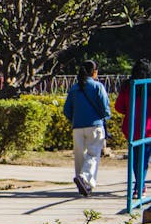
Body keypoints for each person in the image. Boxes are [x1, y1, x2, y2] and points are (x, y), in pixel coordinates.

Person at [63, 60, 111, 197]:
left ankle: (82, 183)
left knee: (79, 156)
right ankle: (84, 179)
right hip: (95, 126)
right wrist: (105, 118)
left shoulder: (74, 88)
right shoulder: (98, 86)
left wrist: (75, 119)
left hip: (77, 127)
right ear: (94, 72)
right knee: (93, 155)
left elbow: (67, 110)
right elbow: (105, 108)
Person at [114, 58, 151, 199]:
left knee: (135, 159)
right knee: (144, 159)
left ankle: (138, 186)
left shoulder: (128, 86)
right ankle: (139, 187)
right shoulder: (149, 86)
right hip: (148, 129)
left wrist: (130, 112)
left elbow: (119, 107)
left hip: (132, 128)